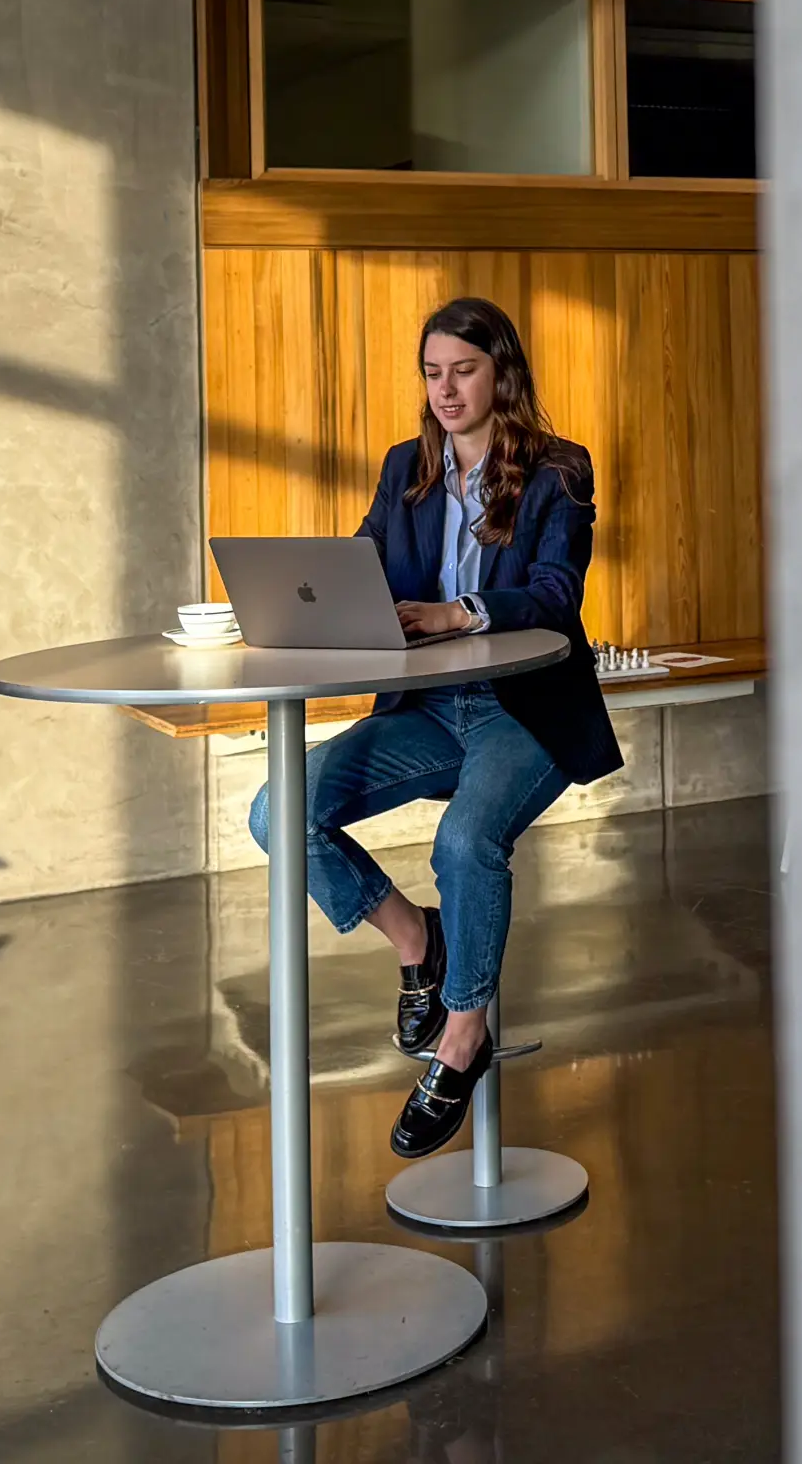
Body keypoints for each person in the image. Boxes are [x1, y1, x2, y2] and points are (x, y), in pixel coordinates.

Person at [249, 296, 621, 1158]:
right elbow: (361, 562)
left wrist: (461, 613)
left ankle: (463, 1036)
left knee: (464, 843)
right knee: (281, 811)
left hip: (520, 708)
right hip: (425, 711)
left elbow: (558, 597)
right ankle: (418, 937)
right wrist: (314, 600)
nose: (446, 390)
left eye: (464, 370)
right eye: (433, 373)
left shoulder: (559, 470)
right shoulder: (405, 468)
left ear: (502, 375)